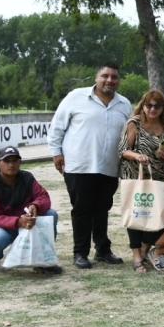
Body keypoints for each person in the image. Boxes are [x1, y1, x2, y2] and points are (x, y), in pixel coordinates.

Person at [48, 63, 132, 269]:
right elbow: (57, 126)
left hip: (110, 167)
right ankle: (80, 252)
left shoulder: (124, 104)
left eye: (114, 77)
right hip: (79, 166)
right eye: (105, 76)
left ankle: (103, 250)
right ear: (96, 77)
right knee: (82, 209)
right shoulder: (76, 97)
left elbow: (130, 135)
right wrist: (56, 152)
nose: (109, 80)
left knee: (103, 209)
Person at [118, 90, 164, 273]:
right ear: (143, 105)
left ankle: (145, 248)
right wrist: (138, 156)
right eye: (149, 105)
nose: (152, 109)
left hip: (160, 177)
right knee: (136, 214)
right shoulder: (134, 123)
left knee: (156, 214)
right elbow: (123, 150)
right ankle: (136, 255)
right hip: (136, 176)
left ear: (163, 108)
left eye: (157, 106)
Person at [0, 146, 61, 274]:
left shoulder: (27, 177)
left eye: (15, 160)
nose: (11, 164)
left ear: (20, 162)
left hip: (25, 223)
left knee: (51, 214)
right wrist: (18, 222)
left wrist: (35, 206)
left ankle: (43, 260)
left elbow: (43, 197)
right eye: (7, 161)